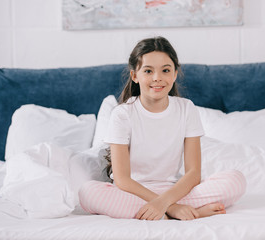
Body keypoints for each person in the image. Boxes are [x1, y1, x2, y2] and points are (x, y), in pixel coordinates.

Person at [79, 36, 246, 220]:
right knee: (88, 192)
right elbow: (122, 180)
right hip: (133, 193)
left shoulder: (186, 108)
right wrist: (172, 207)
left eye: (165, 70)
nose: (157, 78)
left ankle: (159, 213)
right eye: (148, 71)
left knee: (235, 180)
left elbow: (193, 173)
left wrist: (164, 202)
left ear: (174, 74)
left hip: (174, 191)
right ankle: (185, 213)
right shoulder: (122, 114)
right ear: (135, 76)